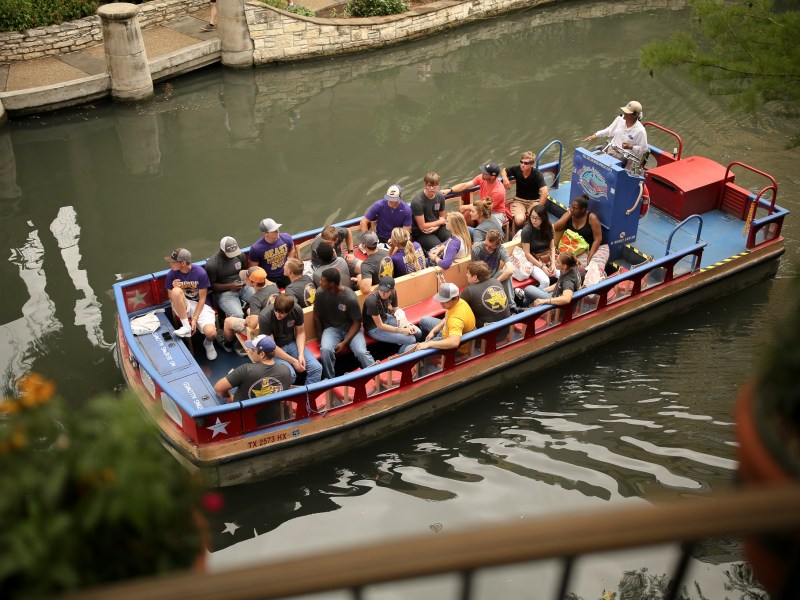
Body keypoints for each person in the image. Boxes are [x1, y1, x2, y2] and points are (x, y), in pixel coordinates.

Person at [213, 336, 293, 426]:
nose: (249, 351)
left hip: (247, 423)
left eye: (253, 350)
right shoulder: (286, 370)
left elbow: (218, 388)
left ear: (262, 354)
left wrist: (230, 397)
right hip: (277, 419)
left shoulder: (246, 369)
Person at [313, 268, 376, 379]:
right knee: (325, 350)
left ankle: (376, 374)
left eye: (323, 281)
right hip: (331, 329)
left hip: (351, 329)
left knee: (361, 351)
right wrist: (319, 339)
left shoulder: (350, 297)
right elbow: (316, 317)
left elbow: (357, 323)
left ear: (332, 284)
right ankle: (330, 381)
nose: (320, 282)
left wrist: (344, 342)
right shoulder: (319, 293)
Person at [165, 247, 218, 361]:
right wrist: (174, 287)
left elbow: (202, 298)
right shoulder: (172, 274)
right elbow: (171, 296)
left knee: (211, 333)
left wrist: (194, 318)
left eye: (173, 262)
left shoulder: (200, 273)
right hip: (183, 303)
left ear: (183, 263)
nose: (170, 264)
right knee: (175, 291)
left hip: (200, 304)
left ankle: (208, 344)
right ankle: (186, 326)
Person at [258, 293, 323, 385]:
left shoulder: (296, 310)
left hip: (291, 343)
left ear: (290, 311)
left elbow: (300, 333)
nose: (278, 315)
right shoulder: (265, 317)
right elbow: (271, 346)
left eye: (282, 313)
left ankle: (308, 396)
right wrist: (294, 361)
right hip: (273, 349)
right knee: (290, 375)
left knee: (316, 367)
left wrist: (301, 355)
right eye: (276, 311)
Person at [218, 267, 279, 355]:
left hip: (264, 330)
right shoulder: (274, 286)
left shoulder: (255, 298)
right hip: (275, 322)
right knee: (250, 310)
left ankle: (228, 345)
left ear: (253, 283)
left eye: (247, 279)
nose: (244, 280)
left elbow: (252, 324)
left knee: (228, 321)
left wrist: (247, 320)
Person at [414, 283, 476, 356]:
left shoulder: (456, 320)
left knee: (412, 349)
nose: (441, 303)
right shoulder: (458, 302)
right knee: (423, 320)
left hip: (452, 346)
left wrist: (428, 344)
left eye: (445, 301)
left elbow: (454, 342)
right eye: (441, 300)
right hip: (447, 330)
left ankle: (426, 359)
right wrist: (434, 330)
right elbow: (447, 317)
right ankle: (426, 341)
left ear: (456, 298)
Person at [362, 276, 420, 354]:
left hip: (386, 318)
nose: (383, 293)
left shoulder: (393, 292)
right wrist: (402, 330)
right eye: (381, 290)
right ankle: (398, 360)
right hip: (374, 328)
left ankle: (419, 350)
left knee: (418, 332)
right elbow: (380, 326)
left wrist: (407, 324)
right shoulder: (372, 301)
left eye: (386, 291)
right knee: (411, 340)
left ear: (392, 290)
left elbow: (396, 308)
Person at [204, 236, 255, 319]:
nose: (233, 256)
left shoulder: (240, 256)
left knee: (262, 301)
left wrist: (246, 280)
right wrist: (230, 286)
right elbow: (211, 287)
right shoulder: (212, 264)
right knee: (238, 315)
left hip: (243, 287)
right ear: (222, 250)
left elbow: (244, 271)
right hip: (224, 293)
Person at [553, 194, 608, 268]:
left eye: (575, 208)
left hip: (596, 247)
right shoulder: (570, 214)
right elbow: (556, 227)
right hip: (579, 248)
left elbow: (598, 240)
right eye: (571, 207)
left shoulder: (592, 218)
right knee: (568, 265)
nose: (571, 209)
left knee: (592, 267)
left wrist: (590, 257)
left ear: (583, 210)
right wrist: (569, 214)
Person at [584, 100, 648, 162]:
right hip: (611, 150)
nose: (624, 113)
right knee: (593, 152)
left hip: (625, 158)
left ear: (635, 115)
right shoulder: (620, 119)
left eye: (627, 112)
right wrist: (595, 135)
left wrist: (631, 147)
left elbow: (643, 149)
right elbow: (609, 130)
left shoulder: (640, 131)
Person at [446, 162, 507, 226]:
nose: (482, 174)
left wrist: (466, 207)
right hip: (482, 206)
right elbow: (465, 185)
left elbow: (485, 207)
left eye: (485, 173)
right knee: (467, 214)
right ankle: (470, 232)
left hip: (495, 212)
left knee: (488, 225)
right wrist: (450, 190)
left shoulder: (498, 191)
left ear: (492, 177)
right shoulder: (482, 178)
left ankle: (478, 232)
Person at [499, 151, 549, 229]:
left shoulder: (537, 174)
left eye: (526, 163)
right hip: (519, 200)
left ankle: (532, 234)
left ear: (532, 164)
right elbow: (504, 170)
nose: (522, 165)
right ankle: (519, 235)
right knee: (519, 220)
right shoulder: (517, 169)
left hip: (534, 201)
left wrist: (538, 207)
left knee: (536, 219)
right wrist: (505, 179)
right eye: (521, 162)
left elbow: (545, 192)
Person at [460, 260, 511, 329]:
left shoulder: (469, 290)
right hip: (507, 325)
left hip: (487, 331)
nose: (466, 275)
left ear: (475, 277)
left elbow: (458, 306)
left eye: (468, 273)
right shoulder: (496, 281)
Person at [248, 217, 296, 288]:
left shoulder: (286, 238)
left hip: (285, 273)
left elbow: (292, 249)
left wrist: (289, 261)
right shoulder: (256, 249)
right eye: (274, 230)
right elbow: (254, 269)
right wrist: (264, 281)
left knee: (294, 288)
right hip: (268, 278)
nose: (277, 231)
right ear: (265, 234)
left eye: (277, 229)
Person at [410, 171, 451, 253]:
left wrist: (436, 226)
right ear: (425, 185)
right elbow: (422, 226)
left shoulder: (440, 196)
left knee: (452, 240)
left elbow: (442, 216)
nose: (432, 188)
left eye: (434, 185)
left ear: (438, 185)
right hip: (422, 233)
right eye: (429, 185)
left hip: (437, 227)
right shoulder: (417, 202)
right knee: (438, 249)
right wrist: (439, 222)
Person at [519, 204, 557, 289]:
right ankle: (534, 298)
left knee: (562, 275)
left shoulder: (548, 227)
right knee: (545, 281)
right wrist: (542, 267)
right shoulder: (526, 231)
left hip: (547, 256)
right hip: (533, 260)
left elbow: (552, 247)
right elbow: (527, 254)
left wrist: (553, 263)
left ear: (543, 218)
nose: (533, 220)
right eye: (532, 217)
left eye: (537, 218)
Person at [471, 229, 514, 300]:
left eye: (491, 247)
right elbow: (473, 272)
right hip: (480, 280)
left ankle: (511, 306)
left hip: (493, 278)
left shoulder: (501, 249)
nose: (488, 248)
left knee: (506, 274)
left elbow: (510, 270)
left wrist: (494, 282)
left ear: (498, 244)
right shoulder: (477, 249)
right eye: (486, 245)